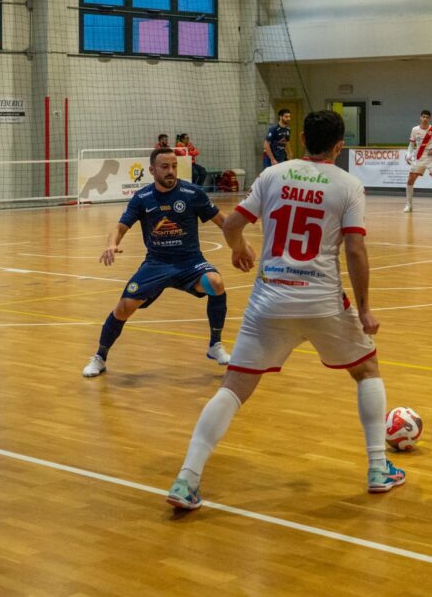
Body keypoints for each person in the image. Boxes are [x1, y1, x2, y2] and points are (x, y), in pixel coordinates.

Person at [166, 110, 405, 511]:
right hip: (322, 301)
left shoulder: (273, 175)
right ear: (339, 145)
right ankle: (378, 469)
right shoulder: (348, 185)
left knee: (233, 388)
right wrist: (364, 309)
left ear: (300, 140)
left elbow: (231, 225)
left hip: (269, 302)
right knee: (366, 370)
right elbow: (355, 249)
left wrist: (239, 248)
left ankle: (187, 479)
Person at [82, 147, 231, 378]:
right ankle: (100, 357)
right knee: (123, 308)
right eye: (165, 167)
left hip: (190, 262)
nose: (171, 171)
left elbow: (223, 222)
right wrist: (111, 244)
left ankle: (215, 345)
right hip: (156, 264)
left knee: (215, 283)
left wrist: (240, 244)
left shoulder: (192, 193)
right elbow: (120, 227)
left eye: (174, 166)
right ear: (152, 170)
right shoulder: (142, 198)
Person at [404, 109, 432, 213]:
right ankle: (409, 205)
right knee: (410, 180)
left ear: (429, 118)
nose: (425, 119)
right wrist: (408, 155)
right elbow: (411, 144)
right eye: (423, 117)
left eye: (427, 117)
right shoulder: (414, 129)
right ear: (420, 117)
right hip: (419, 157)